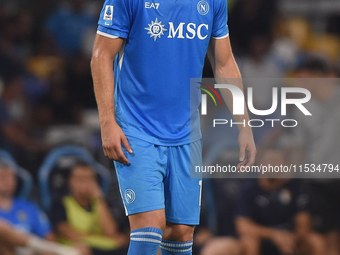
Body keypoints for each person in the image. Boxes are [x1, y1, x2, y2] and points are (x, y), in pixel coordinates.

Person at [91, 0, 256, 254]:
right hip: (136, 129)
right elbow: (101, 55)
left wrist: (244, 125)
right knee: (150, 226)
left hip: (187, 133)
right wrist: (107, 122)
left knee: (181, 232)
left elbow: (224, 63)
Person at [0, 159, 82, 255]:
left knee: (80, 248)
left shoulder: (28, 207)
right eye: (2, 177)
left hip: (33, 252)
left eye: (11, 177)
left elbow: (50, 237)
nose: (7, 181)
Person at [51, 162, 128, 255]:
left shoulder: (102, 203)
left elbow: (111, 232)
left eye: (89, 179)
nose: (85, 183)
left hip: (102, 249)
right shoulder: (61, 204)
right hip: (76, 249)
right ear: (70, 181)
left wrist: (98, 199)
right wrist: (101, 238)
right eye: (80, 179)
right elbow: (69, 233)